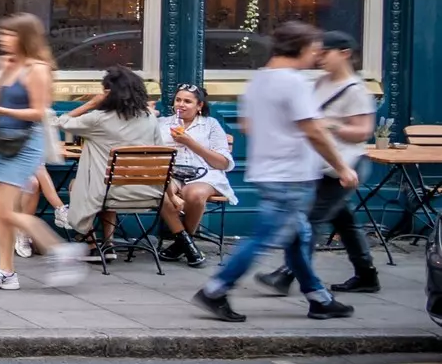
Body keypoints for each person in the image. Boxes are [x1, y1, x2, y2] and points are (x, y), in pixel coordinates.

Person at [191, 22, 359, 323]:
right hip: (291, 175)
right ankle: (215, 289)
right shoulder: (294, 83)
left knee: (297, 236)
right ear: (302, 49)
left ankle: (319, 298)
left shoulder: (259, 81)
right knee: (264, 238)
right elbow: (314, 131)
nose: (316, 57)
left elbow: (247, 125)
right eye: (314, 50)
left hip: (268, 170)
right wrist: (341, 166)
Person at [259, 30, 380, 296]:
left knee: (310, 219)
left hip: (347, 164)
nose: (320, 57)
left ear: (345, 54)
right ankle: (366, 274)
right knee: (343, 220)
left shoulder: (356, 90)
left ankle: (288, 273)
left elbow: (362, 131)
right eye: (318, 52)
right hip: (321, 163)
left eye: (326, 52)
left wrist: (330, 124)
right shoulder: (319, 83)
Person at [0, 14, 86, 291]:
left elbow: (38, 112)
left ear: (23, 37)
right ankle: (6, 272)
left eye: (8, 34)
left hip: (23, 143)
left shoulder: (38, 69)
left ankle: (62, 252)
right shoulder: (15, 65)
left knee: (6, 213)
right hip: (4, 140)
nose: (1, 38)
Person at [58, 66, 167, 256]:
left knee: (80, 185)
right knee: (108, 179)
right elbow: (160, 152)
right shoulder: (149, 118)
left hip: (108, 193)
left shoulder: (99, 119)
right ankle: (108, 243)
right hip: (148, 191)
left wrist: (91, 103)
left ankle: (92, 244)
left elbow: (61, 121)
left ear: (109, 93)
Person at [157, 83, 235, 268]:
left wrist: (190, 143)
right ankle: (187, 243)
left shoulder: (210, 125)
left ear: (199, 105)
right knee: (159, 192)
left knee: (195, 194)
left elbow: (222, 162)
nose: (181, 105)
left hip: (204, 173)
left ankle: (181, 244)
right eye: (178, 100)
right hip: (171, 173)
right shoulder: (162, 124)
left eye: (187, 101)